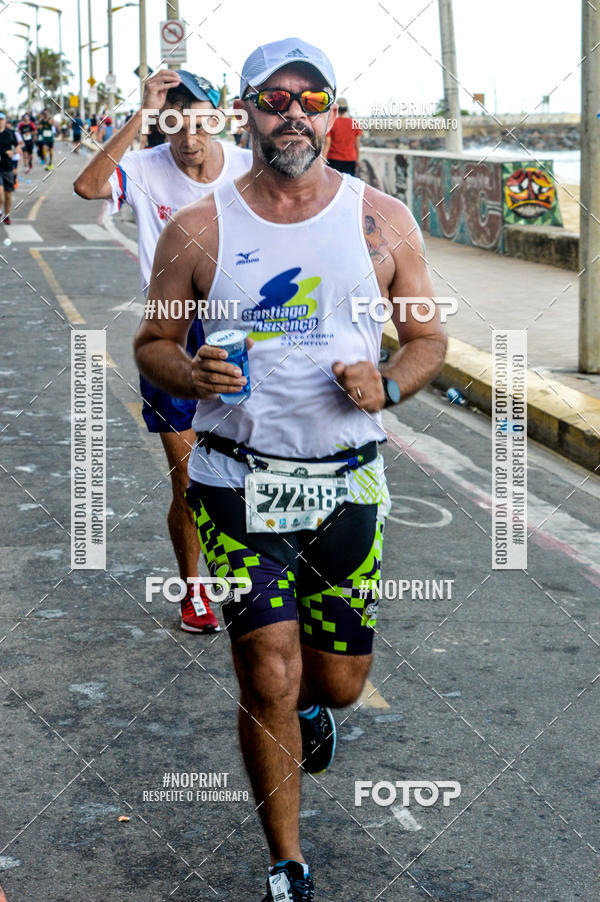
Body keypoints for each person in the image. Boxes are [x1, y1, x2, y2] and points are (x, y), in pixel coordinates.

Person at [134, 37, 447, 901]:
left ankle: (317, 709)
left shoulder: (381, 220)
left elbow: (428, 338)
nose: (293, 115)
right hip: (235, 482)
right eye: (275, 100)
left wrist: (385, 382)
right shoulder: (197, 228)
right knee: (265, 670)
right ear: (247, 113)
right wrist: (189, 371)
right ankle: (286, 863)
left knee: (336, 683)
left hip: (348, 483)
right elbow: (152, 343)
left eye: (311, 100)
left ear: (331, 111)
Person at [74, 69, 252, 634]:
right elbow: (87, 187)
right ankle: (194, 590)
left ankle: (265, 580)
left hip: (241, 332)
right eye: (173, 124)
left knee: (258, 467)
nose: (189, 138)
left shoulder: (250, 169)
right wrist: (140, 115)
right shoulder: (146, 167)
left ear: (217, 117)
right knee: (190, 480)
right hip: (172, 334)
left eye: (198, 121)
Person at [324, 96, 361, 176]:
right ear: (346, 109)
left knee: (333, 185)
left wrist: (323, 159)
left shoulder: (331, 123)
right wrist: (357, 159)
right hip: (350, 160)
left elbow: (327, 143)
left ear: (336, 109)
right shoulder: (354, 123)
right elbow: (357, 145)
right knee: (348, 186)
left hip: (333, 160)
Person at [0, 113, 20, 224]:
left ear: (5, 121)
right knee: (0, 192)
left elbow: (18, 146)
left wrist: (13, 152)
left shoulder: (10, 134)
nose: (0, 121)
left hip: (8, 167)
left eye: (2, 119)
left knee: (8, 194)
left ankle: (6, 215)